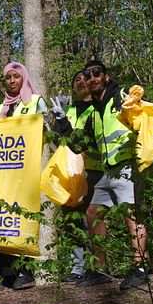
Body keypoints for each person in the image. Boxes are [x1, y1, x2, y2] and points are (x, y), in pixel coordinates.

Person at [76, 60, 148, 290]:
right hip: (107, 171)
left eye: (97, 73)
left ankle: (140, 267)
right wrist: (60, 123)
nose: (92, 78)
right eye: (88, 75)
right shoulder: (93, 112)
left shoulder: (122, 99)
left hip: (126, 167)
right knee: (92, 213)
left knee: (131, 215)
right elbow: (79, 145)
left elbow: (144, 119)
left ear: (105, 77)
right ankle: (99, 269)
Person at [0, 61, 47, 290]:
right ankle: (7, 274)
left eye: (16, 77)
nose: (12, 81)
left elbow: (46, 126)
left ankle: (25, 271)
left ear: (23, 77)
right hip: (2, 173)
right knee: (0, 220)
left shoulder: (35, 101)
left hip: (27, 170)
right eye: (8, 78)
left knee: (22, 220)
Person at [50, 70, 104, 283]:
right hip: (69, 172)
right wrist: (56, 118)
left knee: (92, 219)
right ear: (72, 87)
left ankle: (96, 266)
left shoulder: (97, 108)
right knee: (71, 220)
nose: (81, 82)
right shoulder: (68, 110)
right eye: (76, 80)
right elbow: (56, 139)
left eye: (84, 79)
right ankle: (77, 267)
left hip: (92, 169)